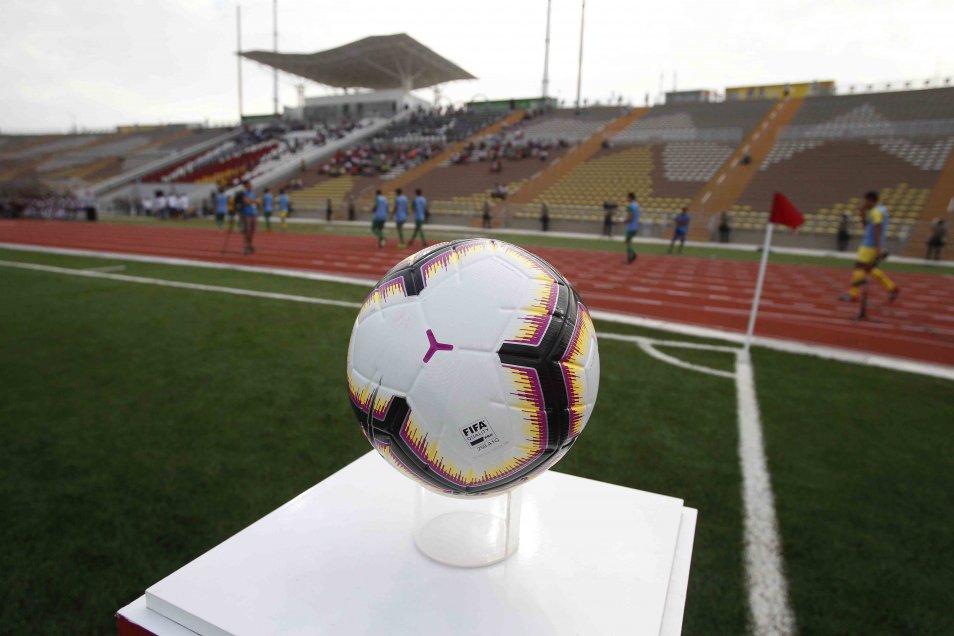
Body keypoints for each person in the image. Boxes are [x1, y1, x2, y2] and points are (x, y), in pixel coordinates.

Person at [840, 191, 898, 303]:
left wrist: (878, 248)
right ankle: (892, 287)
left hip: (869, 244)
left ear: (871, 200)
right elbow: (868, 226)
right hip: (872, 242)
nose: (864, 203)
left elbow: (876, 228)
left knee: (858, 267)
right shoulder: (882, 209)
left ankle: (853, 294)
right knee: (869, 268)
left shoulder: (875, 212)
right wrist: (862, 213)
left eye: (865, 200)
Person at [242, 181, 258, 255]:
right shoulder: (244, 193)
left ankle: (250, 245)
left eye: (250, 184)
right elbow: (246, 202)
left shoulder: (253, 193)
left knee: (252, 231)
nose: (250, 186)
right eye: (248, 185)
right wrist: (255, 201)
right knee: (247, 231)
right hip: (247, 214)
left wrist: (253, 201)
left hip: (253, 213)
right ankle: (245, 247)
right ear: (245, 186)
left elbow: (257, 201)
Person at [624, 192, 640, 264]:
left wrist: (625, 221)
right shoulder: (636, 205)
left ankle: (631, 256)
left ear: (630, 197)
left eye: (628, 197)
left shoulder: (630, 206)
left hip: (631, 227)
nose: (627, 199)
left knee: (627, 242)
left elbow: (630, 216)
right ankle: (632, 255)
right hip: (635, 226)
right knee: (628, 241)